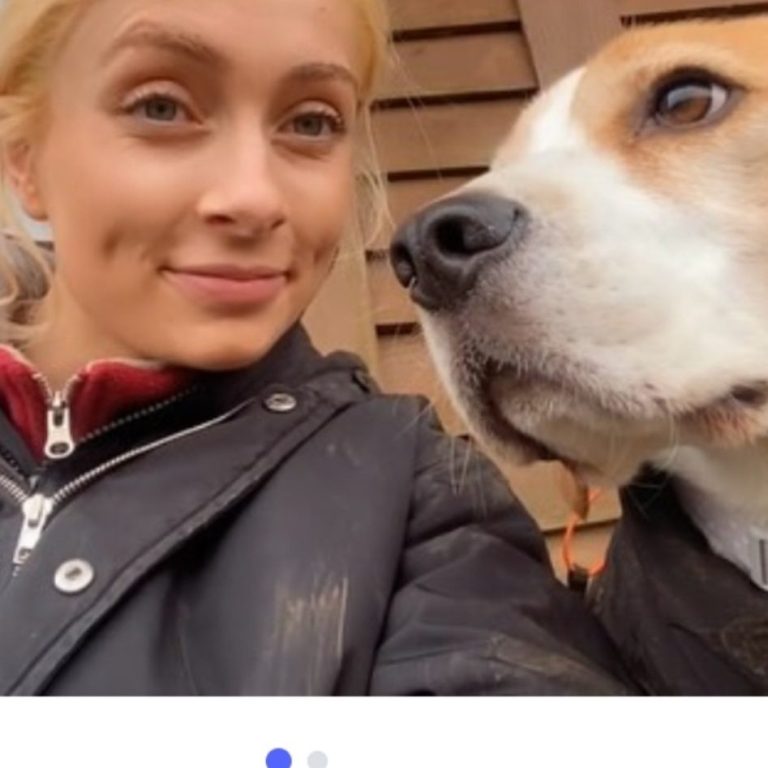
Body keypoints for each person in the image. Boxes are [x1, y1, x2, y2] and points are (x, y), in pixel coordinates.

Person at [0, 0, 631, 695]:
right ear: (23, 159)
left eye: (310, 122)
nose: (254, 199)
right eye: (161, 108)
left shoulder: (420, 507)